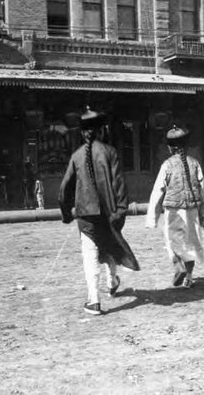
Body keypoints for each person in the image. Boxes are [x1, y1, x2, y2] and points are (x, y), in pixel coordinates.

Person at [59, 107, 140, 315]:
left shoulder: (76, 156)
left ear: (82, 132)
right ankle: (112, 282)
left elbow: (64, 188)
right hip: (109, 211)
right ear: (101, 130)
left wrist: (66, 213)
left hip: (86, 214)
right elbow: (119, 185)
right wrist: (120, 211)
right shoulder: (110, 152)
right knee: (109, 244)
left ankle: (94, 301)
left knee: (90, 254)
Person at [146, 125, 204, 289]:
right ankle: (188, 276)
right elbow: (203, 192)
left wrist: (152, 217)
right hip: (192, 210)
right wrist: (203, 214)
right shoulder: (195, 164)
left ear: (169, 147)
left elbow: (158, 190)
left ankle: (178, 265)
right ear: (187, 146)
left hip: (173, 211)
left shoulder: (167, 165)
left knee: (172, 241)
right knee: (191, 244)